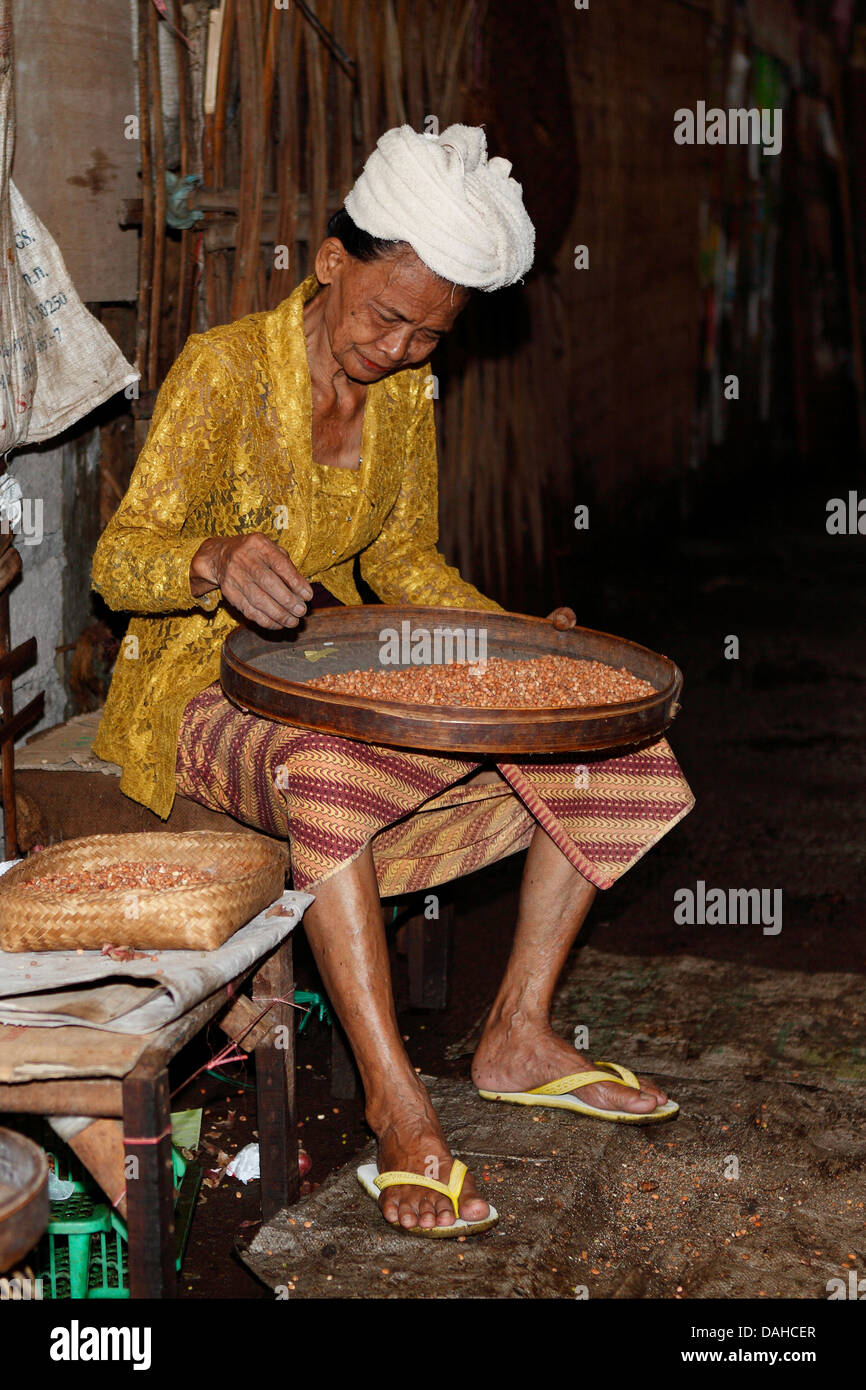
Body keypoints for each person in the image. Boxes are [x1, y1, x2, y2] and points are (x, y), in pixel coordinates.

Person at [92, 124, 694, 1238]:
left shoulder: (406, 396)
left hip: (350, 669)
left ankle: (516, 1029)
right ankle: (394, 1097)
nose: (402, 347)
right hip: (194, 687)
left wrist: (519, 642)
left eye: (429, 333)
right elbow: (118, 564)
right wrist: (213, 560)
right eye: (386, 314)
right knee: (325, 773)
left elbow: (405, 563)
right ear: (330, 262)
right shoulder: (224, 370)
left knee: (608, 737)